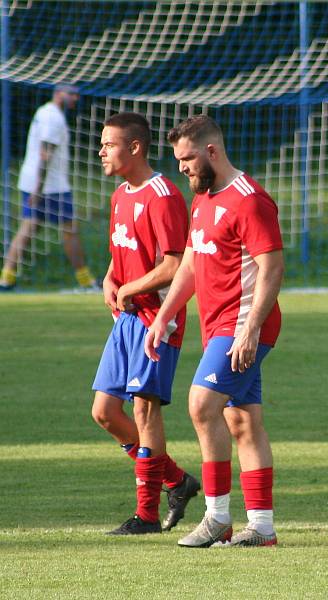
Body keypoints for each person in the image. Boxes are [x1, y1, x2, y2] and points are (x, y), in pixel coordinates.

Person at [145, 114, 284, 548]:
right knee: (242, 420)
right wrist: (165, 313)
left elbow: (273, 267)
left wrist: (250, 330)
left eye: (187, 159)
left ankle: (217, 518)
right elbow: (190, 260)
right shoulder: (202, 197)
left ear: (211, 152)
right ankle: (261, 527)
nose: (182, 168)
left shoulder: (250, 199)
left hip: (243, 324)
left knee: (202, 404)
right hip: (218, 324)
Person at [91, 112, 199, 535]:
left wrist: (132, 285)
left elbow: (175, 264)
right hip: (126, 318)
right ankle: (176, 479)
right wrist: (110, 278)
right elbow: (123, 252)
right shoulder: (121, 195)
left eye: (109, 144)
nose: (101, 151)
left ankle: (147, 516)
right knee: (103, 412)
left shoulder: (163, 195)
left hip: (158, 318)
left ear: (134, 147)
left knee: (144, 407)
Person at [0, 84, 97, 291]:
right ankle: (86, 281)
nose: (75, 98)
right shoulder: (53, 117)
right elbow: (45, 154)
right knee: (70, 230)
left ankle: (6, 279)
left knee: (28, 228)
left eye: (77, 94)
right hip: (49, 186)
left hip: (37, 182)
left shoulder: (43, 111)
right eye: (71, 93)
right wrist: (38, 188)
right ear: (58, 93)